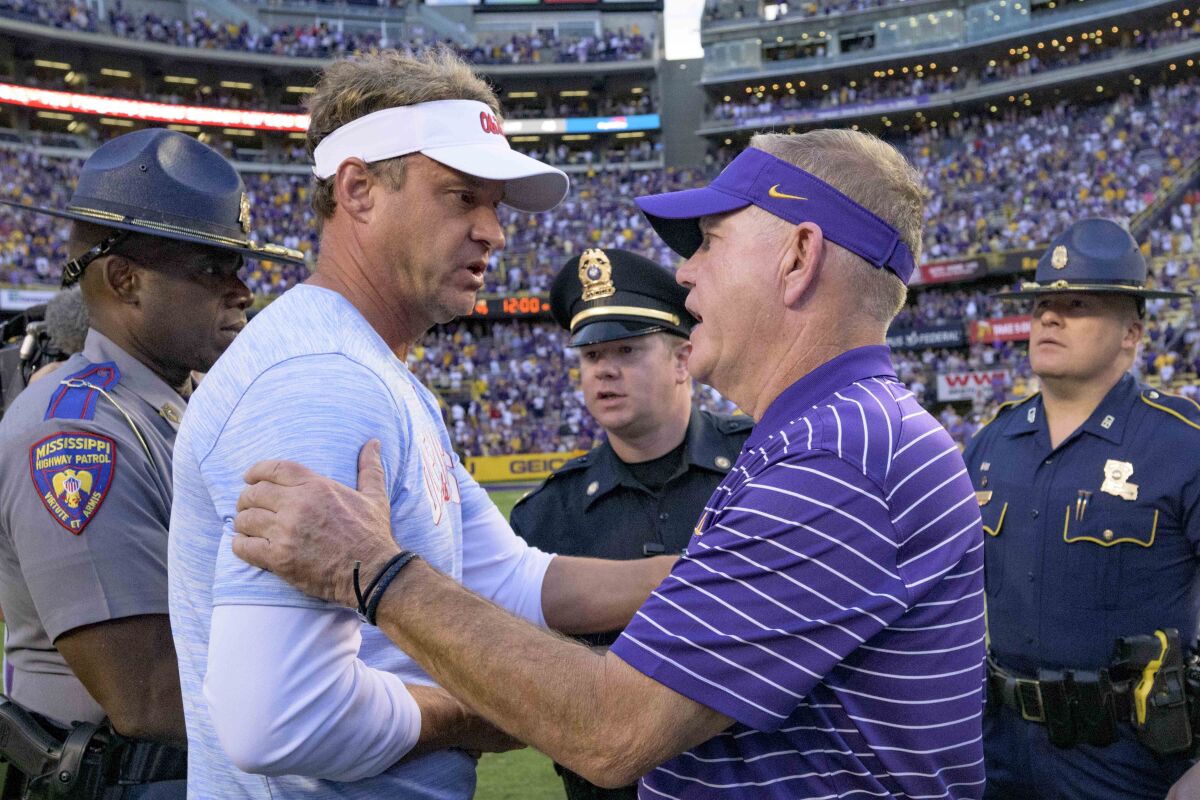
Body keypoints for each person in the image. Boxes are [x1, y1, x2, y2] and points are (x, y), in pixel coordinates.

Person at [231, 130, 988, 799]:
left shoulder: (837, 456)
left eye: (709, 241)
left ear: (798, 256)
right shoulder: (838, 435)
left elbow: (613, 732)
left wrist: (373, 570)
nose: (686, 274)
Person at [167, 48, 678, 799]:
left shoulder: (371, 370)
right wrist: (481, 712)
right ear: (359, 189)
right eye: (462, 196)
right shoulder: (321, 379)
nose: (493, 231)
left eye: (495, 205)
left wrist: (708, 575)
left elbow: (511, 579)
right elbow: (276, 721)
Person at [0, 127, 305, 798]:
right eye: (210, 267)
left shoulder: (181, 407)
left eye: (237, 266)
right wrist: (382, 706)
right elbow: (146, 693)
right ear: (125, 280)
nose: (242, 289)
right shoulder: (77, 433)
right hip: (128, 781)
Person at [961, 218, 1199, 799]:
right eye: (1042, 303)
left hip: (1130, 760)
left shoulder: (1181, 444)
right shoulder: (991, 445)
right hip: (999, 752)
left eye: (1077, 305)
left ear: (1131, 333)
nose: (1049, 317)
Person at [511, 247, 752, 799]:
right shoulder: (546, 515)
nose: (605, 369)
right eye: (591, 354)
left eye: (627, 349)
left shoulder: (760, 466)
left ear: (682, 360)